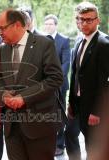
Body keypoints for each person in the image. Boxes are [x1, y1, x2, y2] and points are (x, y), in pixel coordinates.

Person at [0, 9, 63, 160]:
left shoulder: (44, 43)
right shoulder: (1, 49)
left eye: (2, 28)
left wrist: (24, 97)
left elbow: (55, 78)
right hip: (12, 126)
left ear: (17, 25)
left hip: (39, 123)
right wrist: (4, 95)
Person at [67, 1, 109, 159]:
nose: (83, 23)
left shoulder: (104, 43)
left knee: (95, 147)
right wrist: (71, 102)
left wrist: (96, 112)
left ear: (98, 20)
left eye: (89, 19)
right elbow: (75, 74)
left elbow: (104, 82)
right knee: (73, 137)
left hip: (94, 107)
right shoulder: (79, 40)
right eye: (80, 19)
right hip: (78, 103)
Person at [43, 14, 71, 156]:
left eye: (50, 24)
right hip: (45, 87)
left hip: (60, 85)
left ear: (56, 25)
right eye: (46, 24)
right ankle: (49, 143)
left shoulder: (64, 40)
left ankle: (60, 144)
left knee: (59, 114)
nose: (48, 26)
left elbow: (66, 63)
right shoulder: (40, 40)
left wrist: (55, 80)